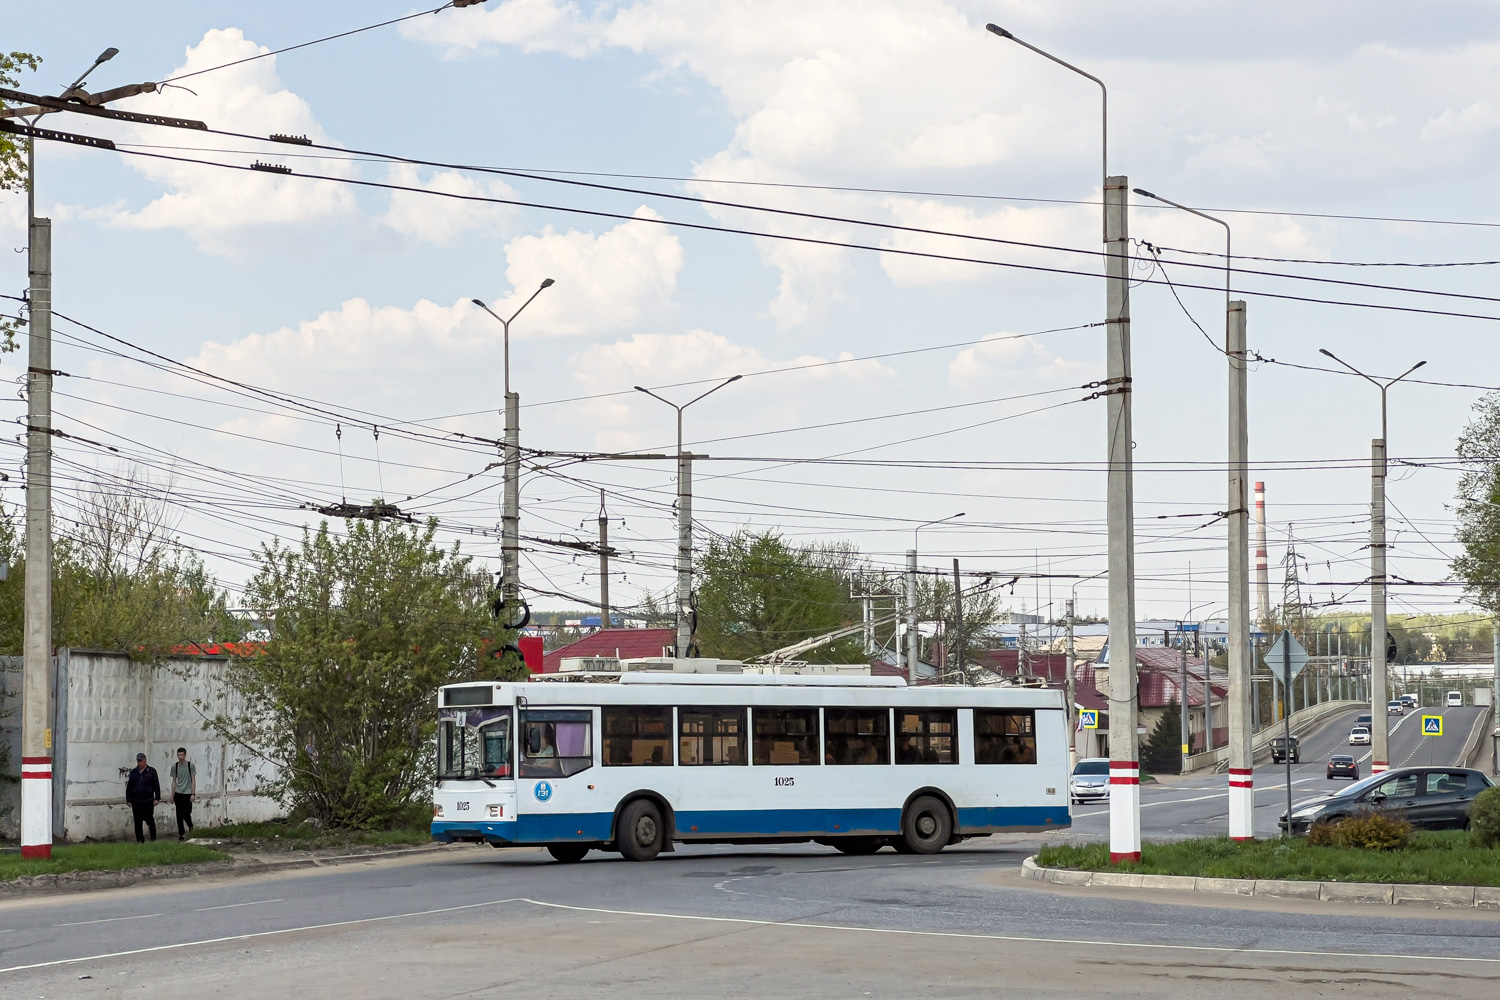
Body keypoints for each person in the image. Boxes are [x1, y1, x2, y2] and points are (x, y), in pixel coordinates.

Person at [125, 753, 161, 843]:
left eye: (141, 761)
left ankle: (153, 839)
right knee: (137, 822)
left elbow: (156, 785)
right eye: (138, 761)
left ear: (145, 760)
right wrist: (128, 799)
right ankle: (140, 841)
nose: (139, 763)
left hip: (148, 801)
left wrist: (157, 798)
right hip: (136, 801)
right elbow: (129, 787)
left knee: (150, 820)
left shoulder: (152, 771)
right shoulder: (133, 772)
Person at [168, 747, 197, 841]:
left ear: (185, 755)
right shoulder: (175, 766)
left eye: (182, 755)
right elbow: (173, 781)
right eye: (178, 755)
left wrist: (193, 793)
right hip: (178, 793)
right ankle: (181, 833)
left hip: (188, 793)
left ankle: (190, 826)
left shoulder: (190, 765)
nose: (180, 757)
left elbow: (193, 780)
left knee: (186, 813)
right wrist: (172, 795)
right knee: (179, 815)